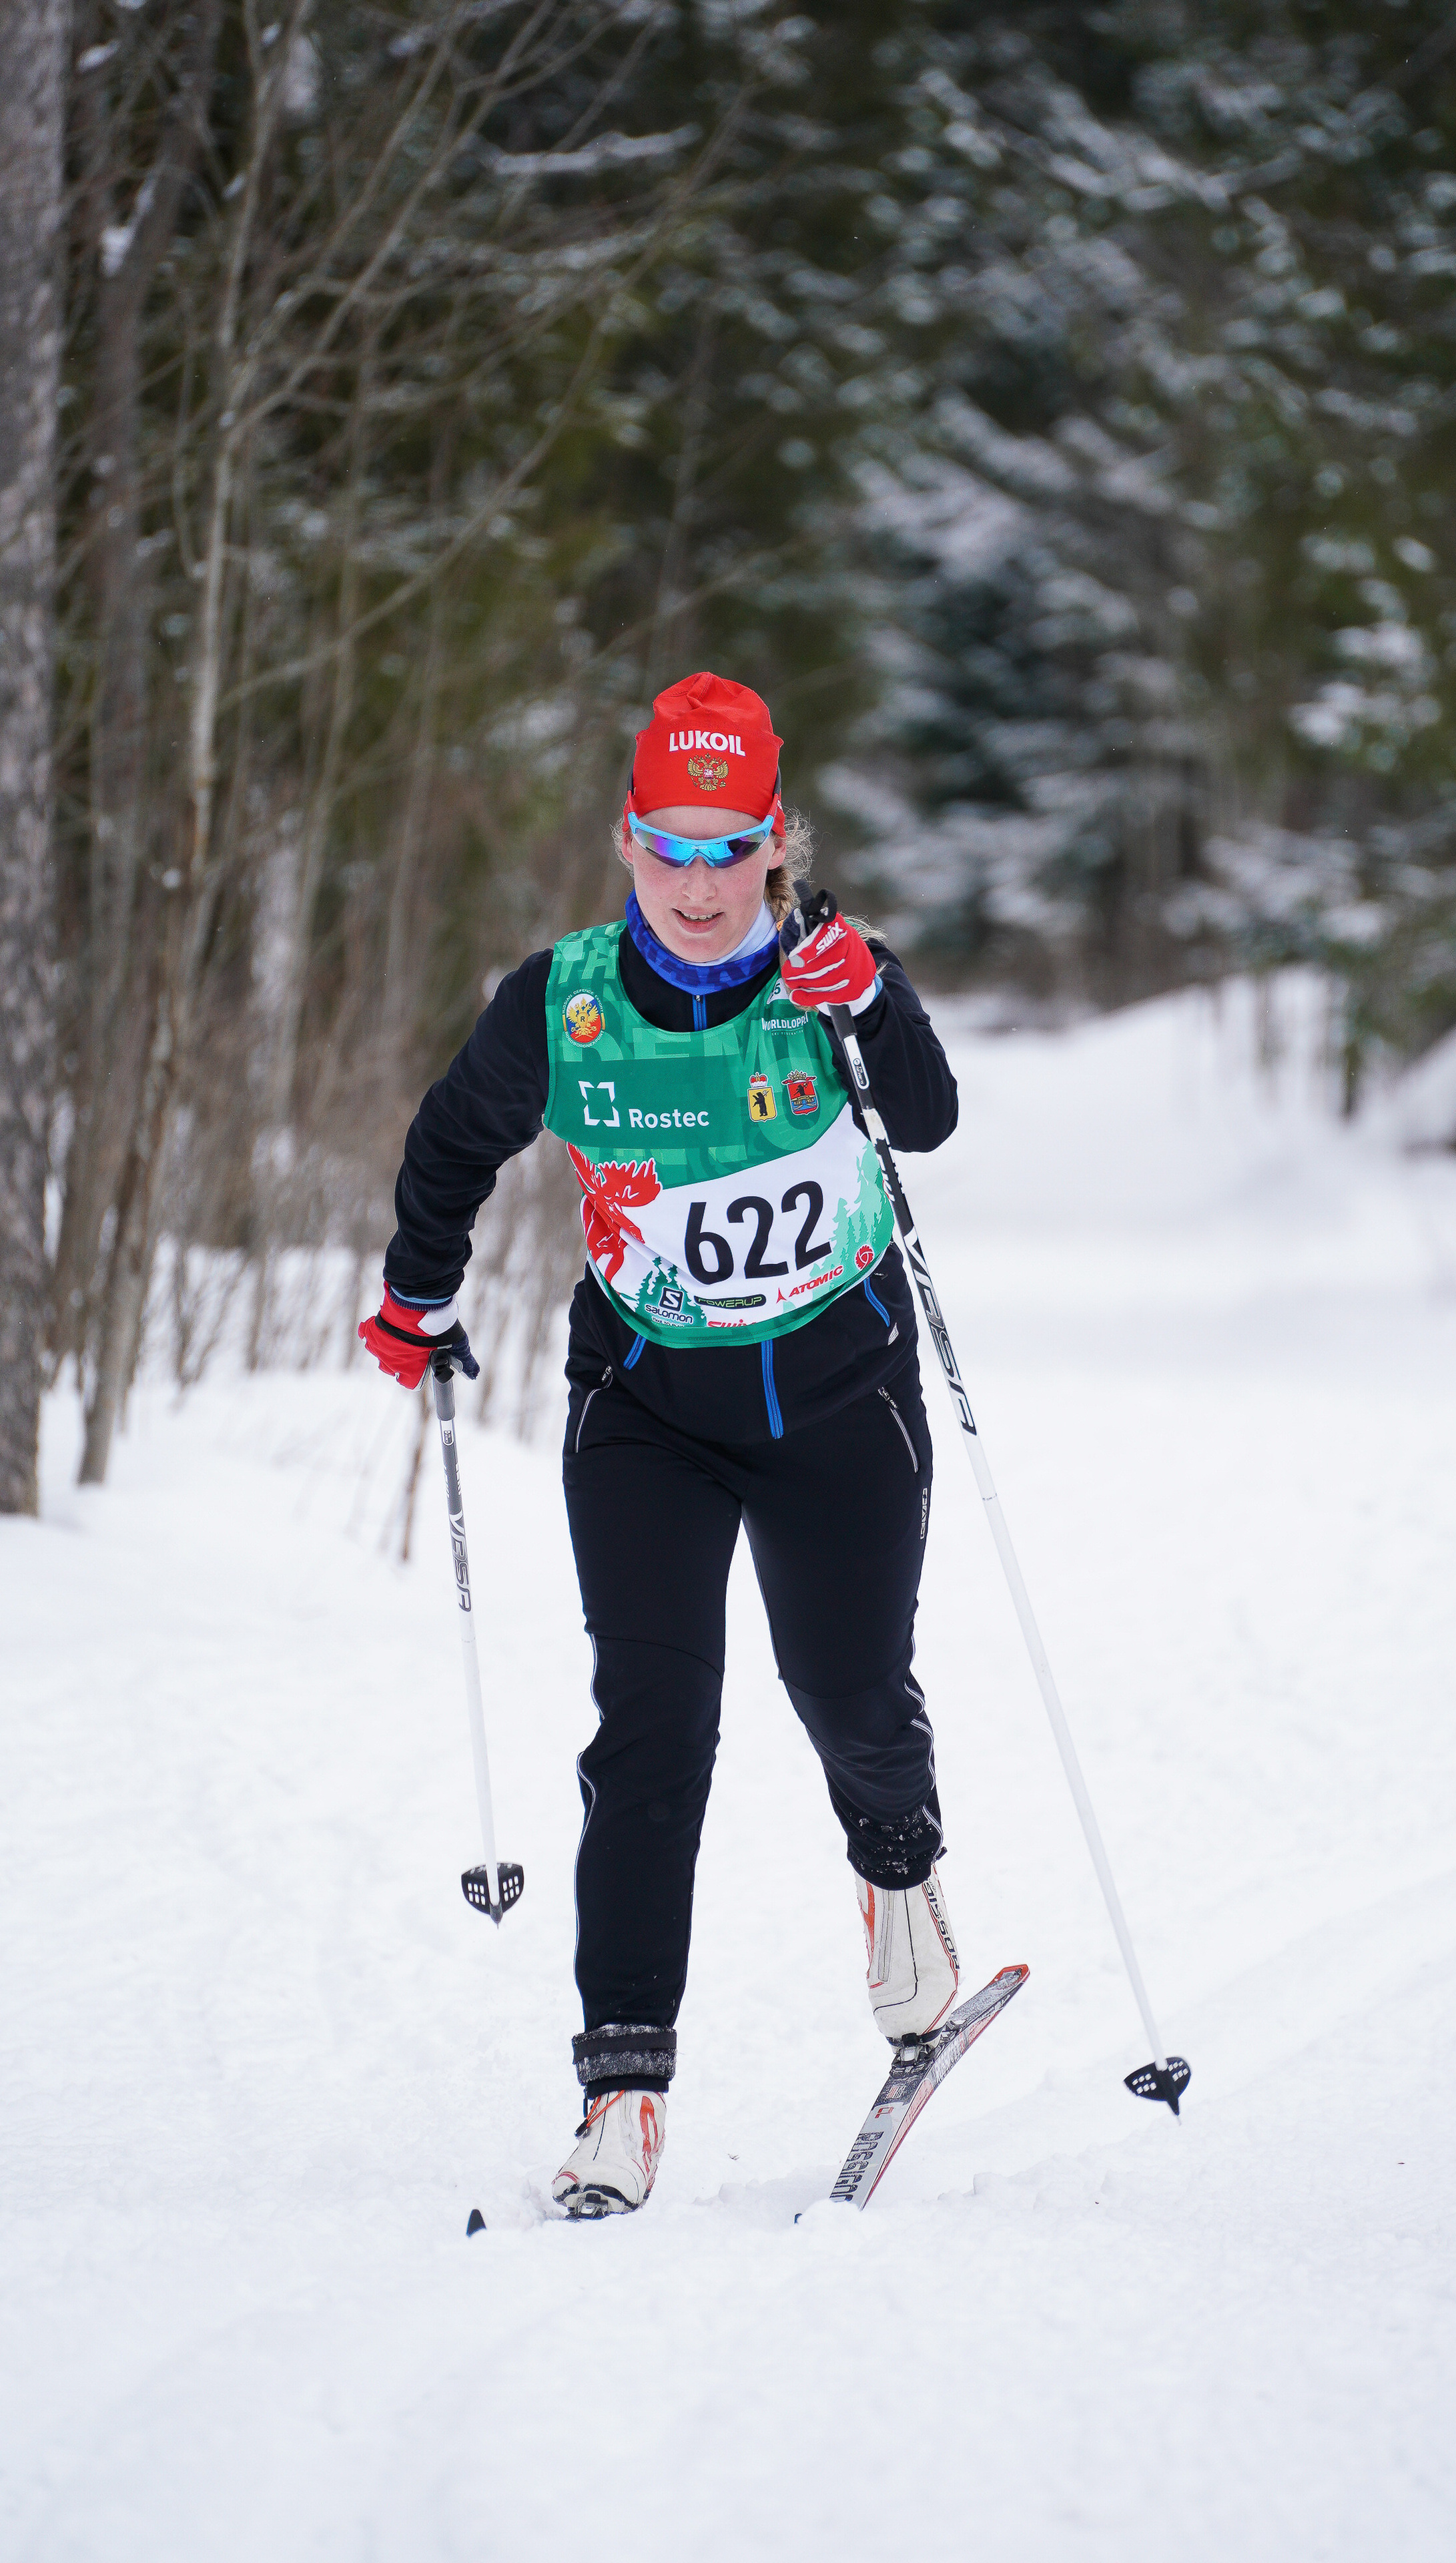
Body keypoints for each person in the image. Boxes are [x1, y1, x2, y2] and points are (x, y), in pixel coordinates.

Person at [360, 671, 962, 2217]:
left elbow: (930, 1114)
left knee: (846, 1689)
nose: (698, 882)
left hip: (842, 1402)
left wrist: (871, 1005)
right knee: (649, 1737)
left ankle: (899, 1886)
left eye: (729, 845)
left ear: (776, 843)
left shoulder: (830, 975)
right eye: (668, 846)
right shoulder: (557, 1004)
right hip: (646, 1412)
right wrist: (414, 1297)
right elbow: (451, 1141)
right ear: (626, 843)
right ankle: (618, 2096)